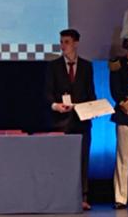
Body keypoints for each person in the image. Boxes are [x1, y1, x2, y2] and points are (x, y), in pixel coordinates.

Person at [45, 28, 96, 211]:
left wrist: (94, 109)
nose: (63, 46)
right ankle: (61, 197)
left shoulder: (87, 66)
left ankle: (82, 197)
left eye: (66, 42)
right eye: (61, 42)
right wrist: (56, 106)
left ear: (75, 43)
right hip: (61, 121)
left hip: (82, 120)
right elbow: (47, 94)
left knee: (82, 160)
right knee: (61, 161)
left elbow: (91, 93)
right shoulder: (53, 66)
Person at [110, 9, 128, 210]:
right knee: (123, 158)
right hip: (125, 114)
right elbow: (116, 91)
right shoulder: (117, 64)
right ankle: (121, 197)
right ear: (125, 43)